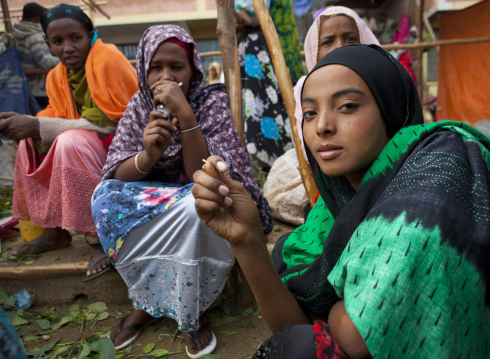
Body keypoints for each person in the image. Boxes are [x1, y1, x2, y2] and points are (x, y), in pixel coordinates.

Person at [192, 44, 490, 358]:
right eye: (309, 113)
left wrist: (335, 314)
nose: (322, 126)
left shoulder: (441, 162)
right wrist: (247, 239)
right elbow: (297, 331)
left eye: (347, 106)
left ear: (390, 109)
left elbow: (356, 334)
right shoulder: (333, 208)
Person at [90, 25, 272, 357]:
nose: (166, 76)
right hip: (159, 206)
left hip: (196, 202)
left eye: (177, 67)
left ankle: (189, 310)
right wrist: (148, 156)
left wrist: (187, 117)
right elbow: (115, 174)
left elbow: (207, 174)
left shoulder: (210, 102)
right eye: (156, 67)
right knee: (103, 199)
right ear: (143, 70)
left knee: (201, 202)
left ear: (193, 70)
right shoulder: (138, 107)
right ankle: (150, 299)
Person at [0, 4, 138, 281]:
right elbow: (55, 116)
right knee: (29, 144)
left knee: (70, 141)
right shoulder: (56, 76)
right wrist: (28, 125)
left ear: (91, 35)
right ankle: (53, 231)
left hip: (127, 149)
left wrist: (37, 124)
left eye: (75, 38)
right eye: (58, 42)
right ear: (48, 44)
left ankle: (101, 238)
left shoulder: (108, 58)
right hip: (91, 144)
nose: (67, 47)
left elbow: (115, 122)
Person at [293, 6, 380, 162]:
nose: (340, 48)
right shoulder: (304, 88)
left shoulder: (380, 82)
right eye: (328, 42)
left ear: (363, 41)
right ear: (314, 51)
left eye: (350, 39)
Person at [235, 0, 302, 170]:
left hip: (259, 49)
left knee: (265, 99)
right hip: (248, 49)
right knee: (253, 99)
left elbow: (256, 18)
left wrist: (247, 18)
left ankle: (274, 156)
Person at [13, 2, 60, 109]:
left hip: (24, 89)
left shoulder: (13, 35)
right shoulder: (34, 37)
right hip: (40, 90)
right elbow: (46, 62)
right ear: (36, 19)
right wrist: (67, 59)